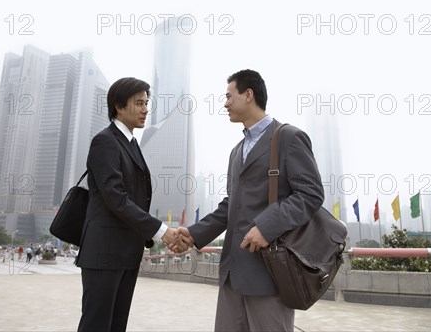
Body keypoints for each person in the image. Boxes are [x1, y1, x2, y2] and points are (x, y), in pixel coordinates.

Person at [176, 69, 325, 332]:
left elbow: (310, 194)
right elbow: (231, 205)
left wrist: (266, 227)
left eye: (229, 96)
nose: (225, 103)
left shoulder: (288, 137)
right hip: (233, 271)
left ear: (248, 95)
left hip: (269, 272)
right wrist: (194, 233)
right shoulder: (236, 151)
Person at [75, 77, 186, 332]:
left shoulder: (131, 143)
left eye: (147, 103)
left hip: (127, 252)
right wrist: (162, 231)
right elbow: (116, 198)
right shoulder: (105, 141)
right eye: (138, 103)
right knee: (97, 324)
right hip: (104, 252)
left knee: (117, 325)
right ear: (118, 106)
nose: (146, 109)